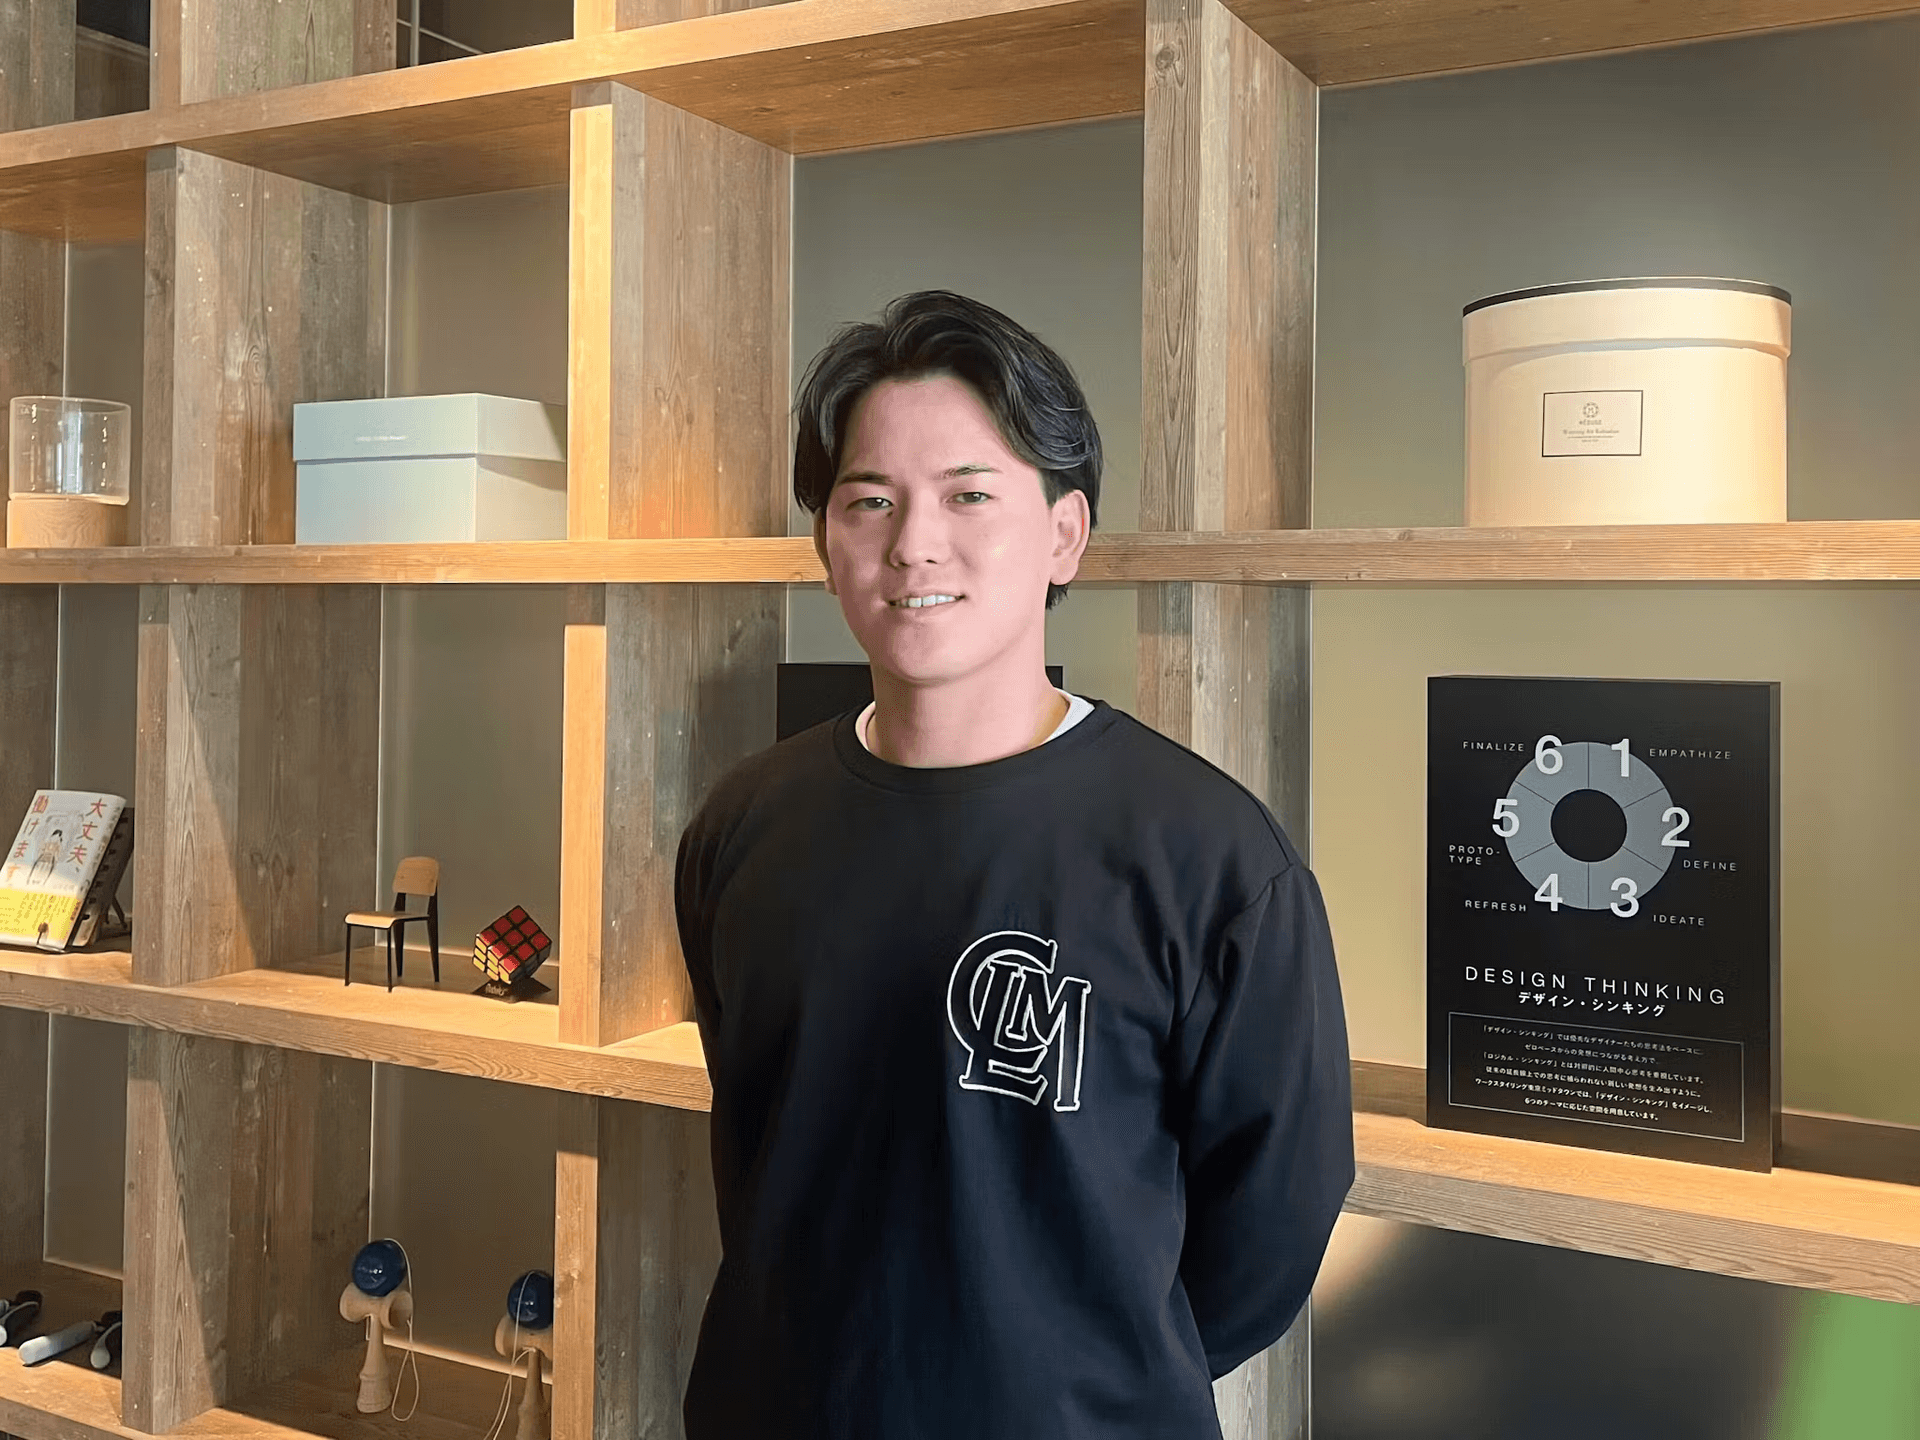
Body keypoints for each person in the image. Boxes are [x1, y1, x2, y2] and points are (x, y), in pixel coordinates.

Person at [674, 290, 1353, 1439]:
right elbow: (753, 1142)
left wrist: (1080, 1361)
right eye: (869, 500)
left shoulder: (1209, 857)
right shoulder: (743, 824)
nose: (913, 543)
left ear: (1063, 535)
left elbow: (1272, 1224)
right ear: (826, 544)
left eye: (969, 495)